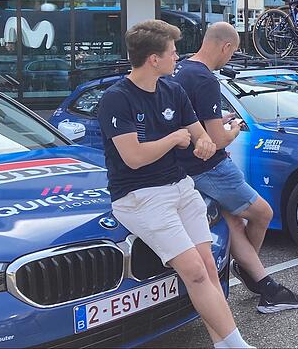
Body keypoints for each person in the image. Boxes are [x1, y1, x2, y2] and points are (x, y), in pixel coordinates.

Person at [97, 20, 252, 349]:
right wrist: (175, 139)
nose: (177, 58)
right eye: (172, 53)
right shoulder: (116, 98)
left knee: (208, 267)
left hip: (181, 187)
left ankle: (225, 343)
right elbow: (134, 157)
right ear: (153, 59)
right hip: (140, 196)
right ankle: (237, 345)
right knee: (195, 272)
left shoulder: (173, 90)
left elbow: (199, 135)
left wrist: (203, 143)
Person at [170, 22, 298, 314]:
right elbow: (218, 140)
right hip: (210, 166)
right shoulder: (206, 79)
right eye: (231, 54)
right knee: (262, 213)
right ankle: (251, 273)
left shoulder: (181, 68)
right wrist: (233, 128)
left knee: (234, 223)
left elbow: (189, 119)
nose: (229, 59)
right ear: (226, 47)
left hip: (184, 165)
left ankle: (262, 283)